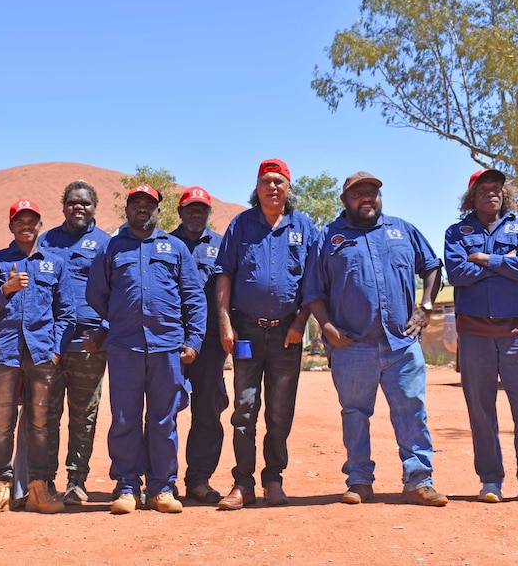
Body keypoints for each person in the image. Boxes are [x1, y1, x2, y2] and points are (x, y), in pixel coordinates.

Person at [304, 171, 448, 507]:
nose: (367, 198)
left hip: (401, 343)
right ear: (344, 200)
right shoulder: (329, 237)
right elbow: (313, 290)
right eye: (358, 194)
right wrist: (326, 326)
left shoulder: (402, 229)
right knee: (354, 413)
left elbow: (431, 265)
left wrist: (425, 306)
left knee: (412, 412)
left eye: (373, 193)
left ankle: (418, 481)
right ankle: (358, 481)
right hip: (352, 346)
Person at [86, 184, 206, 514]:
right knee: (125, 419)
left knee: (163, 420)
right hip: (125, 347)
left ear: (158, 210)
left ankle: (162, 487)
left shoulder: (176, 247)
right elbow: (96, 294)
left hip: (167, 348)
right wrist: (119, 318)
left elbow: (194, 298)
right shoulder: (112, 248)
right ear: (127, 209)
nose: (143, 208)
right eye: (136, 203)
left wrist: (193, 341)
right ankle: (126, 486)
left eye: (148, 204)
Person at [444, 168, 518, 506]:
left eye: (496, 188)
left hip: (517, 332)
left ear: (503, 194)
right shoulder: (456, 232)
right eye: (483, 189)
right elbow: (457, 274)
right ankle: (491, 480)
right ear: (471, 196)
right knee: (480, 410)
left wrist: (483, 258)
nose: (491, 193)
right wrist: (503, 262)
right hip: (474, 333)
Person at [214, 160, 316, 510]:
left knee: (279, 411)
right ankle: (243, 484)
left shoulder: (304, 227)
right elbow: (224, 273)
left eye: (278, 181)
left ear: (288, 188)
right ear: (256, 188)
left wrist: (301, 323)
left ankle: (273, 480)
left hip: (287, 334)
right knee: (244, 408)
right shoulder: (241, 224)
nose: (272, 187)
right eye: (265, 182)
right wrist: (225, 323)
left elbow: (313, 283)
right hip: (245, 333)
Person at [0, 199, 75, 514]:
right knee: (3, 425)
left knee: (40, 424)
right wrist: (6, 290)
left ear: (39, 225)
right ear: (11, 227)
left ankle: (38, 489)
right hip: (5, 354)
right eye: (20, 221)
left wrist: (57, 351)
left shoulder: (55, 263)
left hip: (42, 354)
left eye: (31, 221)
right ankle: (0, 489)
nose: (26, 226)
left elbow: (67, 313)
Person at [39, 180, 111, 505]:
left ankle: (76, 481)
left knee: (84, 414)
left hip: (89, 343)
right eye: (71, 202)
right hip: (50, 343)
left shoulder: (107, 244)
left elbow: (120, 292)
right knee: (47, 414)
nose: (78, 207)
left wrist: (105, 328)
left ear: (95, 207)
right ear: (63, 205)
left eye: (84, 203)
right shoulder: (46, 241)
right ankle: (45, 481)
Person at [169, 186, 230, 504]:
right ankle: (161, 481)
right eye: (190, 208)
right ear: (180, 212)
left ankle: (199, 480)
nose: (196, 213)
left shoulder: (221, 246)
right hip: (168, 342)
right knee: (164, 411)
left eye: (202, 208)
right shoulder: (163, 244)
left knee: (208, 411)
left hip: (209, 344)